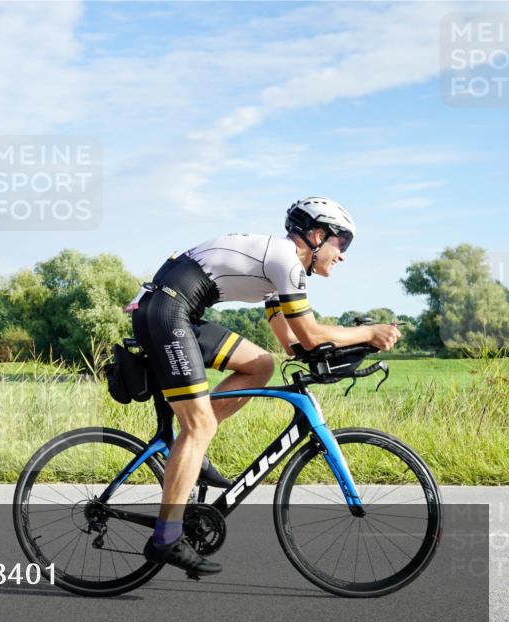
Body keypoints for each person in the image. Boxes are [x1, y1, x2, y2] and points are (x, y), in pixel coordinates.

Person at [128, 197, 401, 577]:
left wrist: (355, 348)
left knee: (261, 365)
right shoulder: (286, 259)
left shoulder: (283, 270)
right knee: (199, 424)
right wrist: (370, 331)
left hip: (177, 312)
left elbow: (294, 344)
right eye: (343, 244)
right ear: (319, 235)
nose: (343, 256)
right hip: (165, 312)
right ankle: (166, 538)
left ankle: (189, 448)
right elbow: (311, 332)